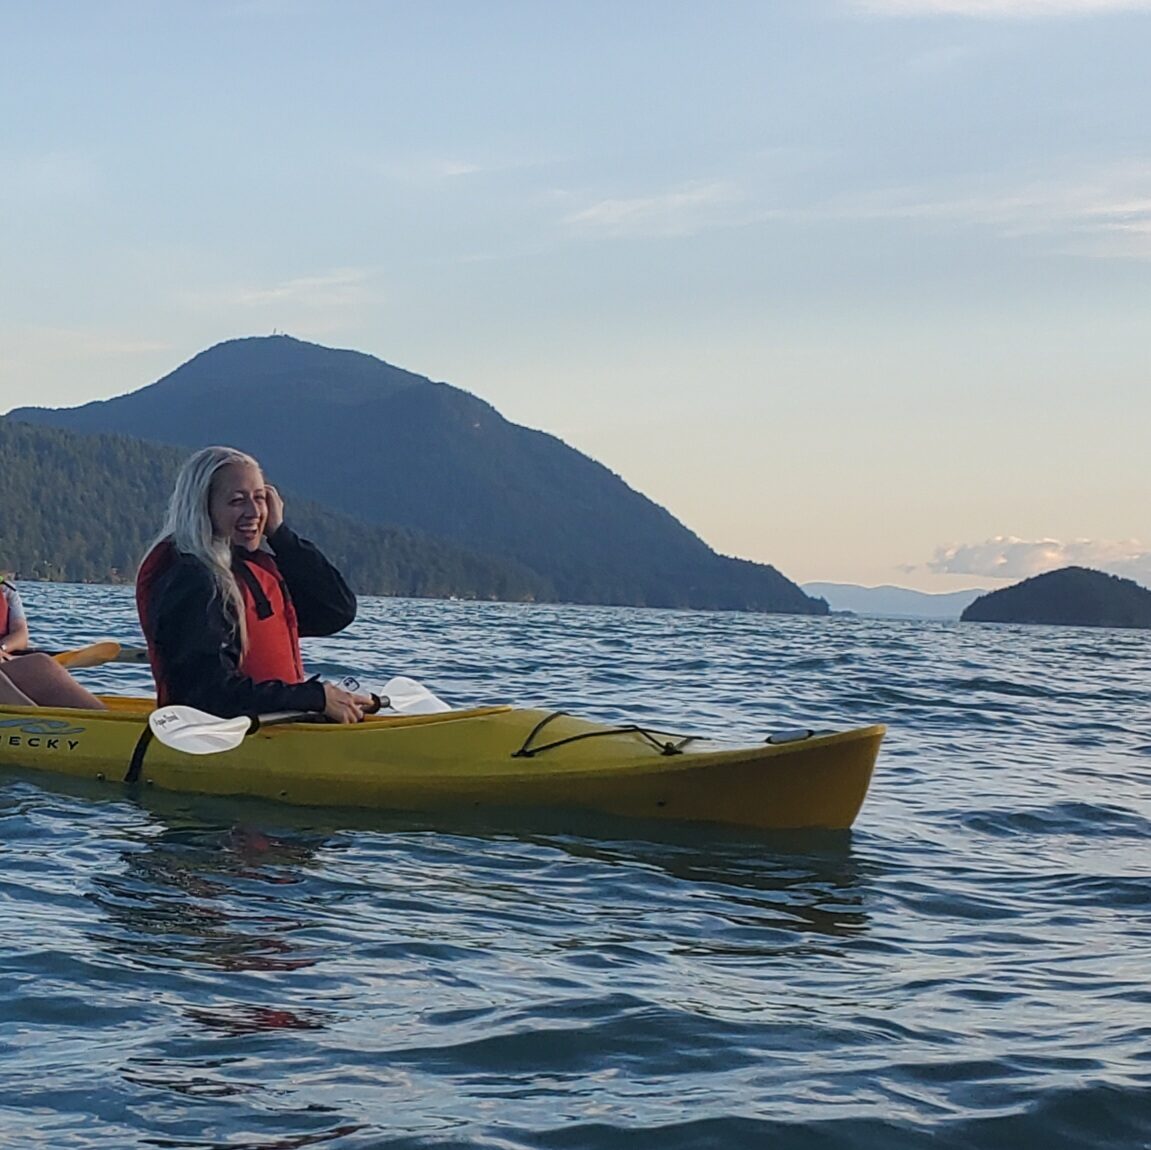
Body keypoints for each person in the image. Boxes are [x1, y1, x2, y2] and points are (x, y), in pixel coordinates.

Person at [136, 446, 371, 722]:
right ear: (203, 507)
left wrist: (280, 535)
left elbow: (337, 610)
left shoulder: (254, 570)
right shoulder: (192, 580)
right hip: (221, 736)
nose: (254, 512)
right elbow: (207, 695)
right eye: (237, 501)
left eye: (260, 498)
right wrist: (314, 697)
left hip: (275, 726)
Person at [0, 574, 107, 709]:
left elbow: (21, 634)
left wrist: (2, 648)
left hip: (4, 660)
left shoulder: (7, 591)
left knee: (41, 662)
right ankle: (33, 717)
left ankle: (100, 715)